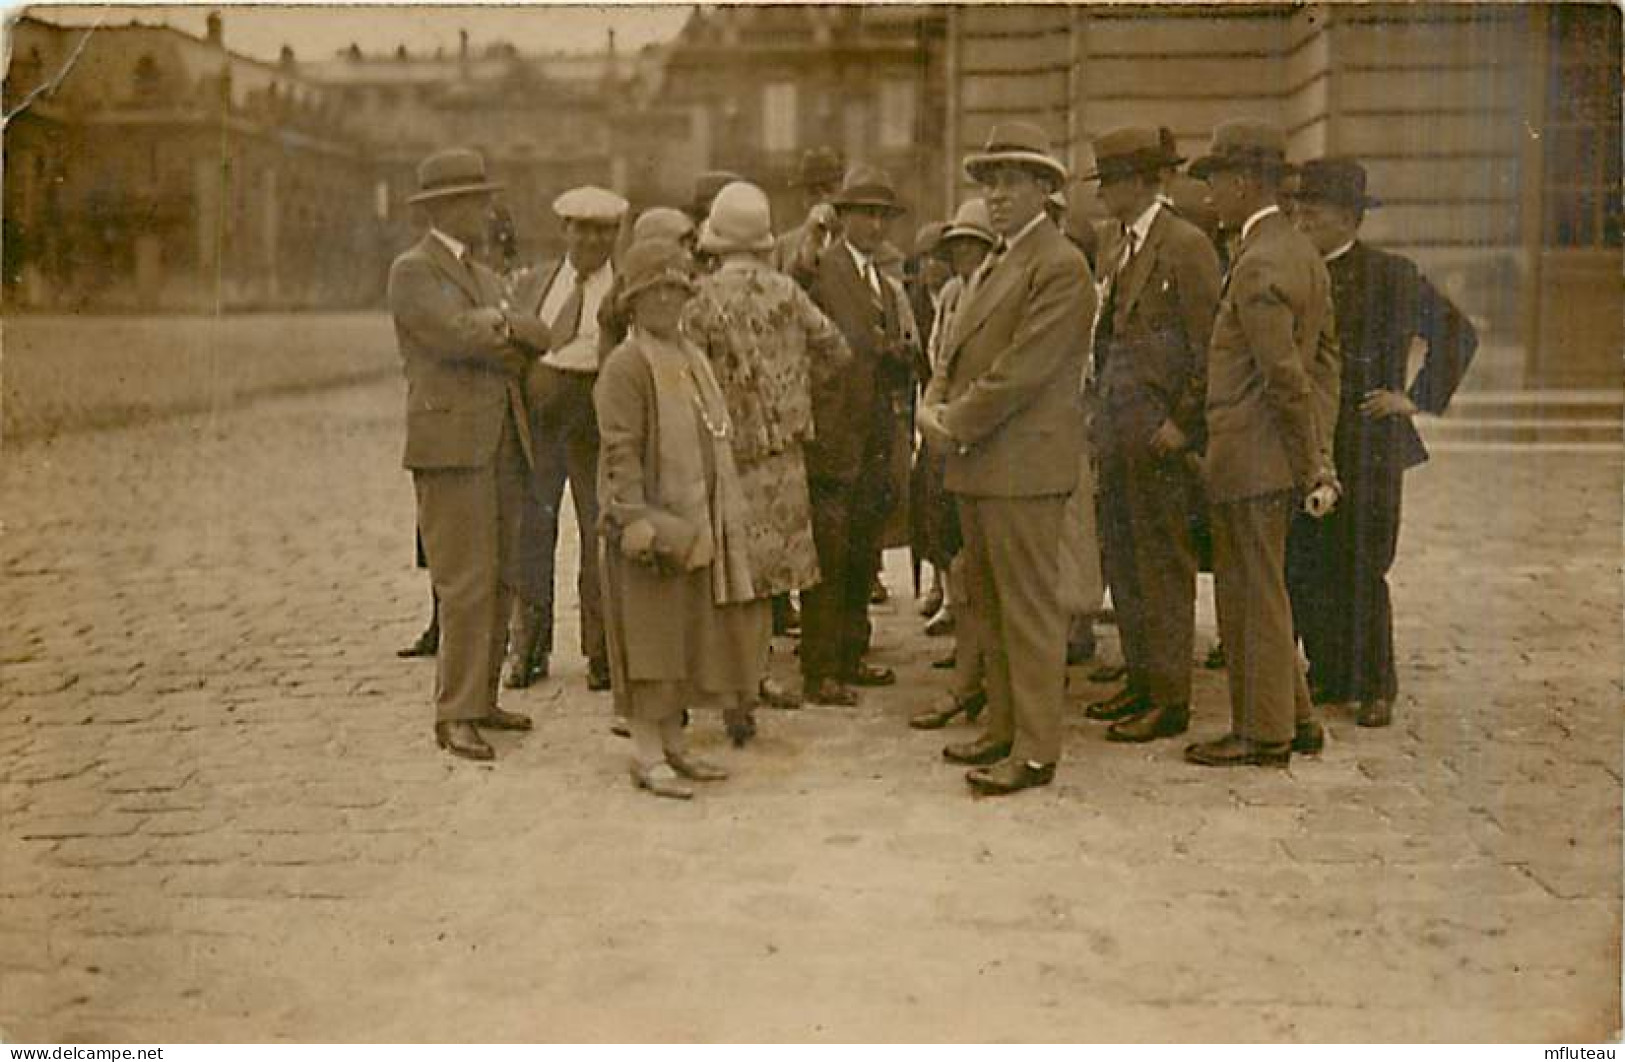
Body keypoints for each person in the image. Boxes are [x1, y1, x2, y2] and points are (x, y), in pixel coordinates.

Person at [917, 122, 1095, 795]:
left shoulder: (1058, 264)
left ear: (1046, 190)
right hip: (985, 464)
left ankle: (1035, 749)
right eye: (989, 182)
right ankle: (1000, 726)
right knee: (987, 605)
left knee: (1026, 609)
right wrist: (936, 403)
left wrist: (951, 421)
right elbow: (959, 353)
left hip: (1022, 467)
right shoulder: (1000, 258)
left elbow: (1024, 371)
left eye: (1011, 182)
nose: (995, 195)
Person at [1284, 157, 1477, 728]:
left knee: (1364, 562)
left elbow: (1457, 332)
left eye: (1313, 215)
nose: (1302, 224)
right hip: (1312, 441)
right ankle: (1329, 674)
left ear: (1349, 218)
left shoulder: (1392, 275)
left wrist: (1413, 397)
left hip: (1369, 442)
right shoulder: (1294, 270)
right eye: (1297, 213)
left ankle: (1374, 688)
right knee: (1310, 561)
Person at [1183, 120, 1341, 769]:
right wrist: (1317, 456)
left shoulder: (1257, 263)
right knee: (1266, 589)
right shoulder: (1299, 250)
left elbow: (1283, 376)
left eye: (1215, 182)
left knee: (1250, 599)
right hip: (1271, 454)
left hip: (1250, 457)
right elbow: (1323, 364)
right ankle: (1295, 719)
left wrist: (1314, 467)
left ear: (1244, 183)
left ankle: (1262, 733)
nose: (1209, 196)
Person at [387, 148, 552, 761]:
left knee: (503, 571)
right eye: (476, 200)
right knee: (464, 581)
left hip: (504, 438)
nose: (487, 211)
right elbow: (451, 336)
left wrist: (499, 327)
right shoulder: (413, 270)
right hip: (451, 444)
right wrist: (503, 330)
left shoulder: (482, 277)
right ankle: (454, 713)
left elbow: (539, 334)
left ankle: (481, 699)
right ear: (445, 207)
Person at [683, 181, 855, 741]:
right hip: (783, 453)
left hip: (724, 451)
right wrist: (795, 393)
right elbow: (837, 348)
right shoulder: (786, 292)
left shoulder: (701, 300)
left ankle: (725, 684)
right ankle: (753, 681)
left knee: (726, 572)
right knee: (769, 579)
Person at [595, 238, 767, 800]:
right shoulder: (627, 364)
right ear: (633, 300)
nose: (668, 300)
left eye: (677, 289)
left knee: (682, 637)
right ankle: (646, 754)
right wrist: (634, 517)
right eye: (656, 291)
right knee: (648, 641)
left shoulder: (690, 357)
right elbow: (619, 449)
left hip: (694, 520)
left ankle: (674, 744)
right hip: (649, 524)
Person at [1079, 125, 1222, 744]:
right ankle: (1142, 678)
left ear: (1145, 182)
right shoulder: (1121, 245)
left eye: (1112, 180)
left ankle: (1169, 698)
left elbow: (1211, 347)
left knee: (1163, 566)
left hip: (1159, 438)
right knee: (1127, 559)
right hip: (1118, 432)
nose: (1105, 191)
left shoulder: (1185, 246)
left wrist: (1182, 427)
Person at [796, 164, 922, 706]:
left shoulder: (876, 279)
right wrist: (888, 351)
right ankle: (821, 668)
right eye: (864, 214)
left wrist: (899, 356)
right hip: (834, 431)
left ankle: (851, 653)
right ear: (842, 217)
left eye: (882, 216)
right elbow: (845, 344)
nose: (874, 225)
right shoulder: (827, 270)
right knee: (829, 552)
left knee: (861, 548)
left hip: (872, 429)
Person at [506, 185, 627, 693]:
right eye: (581, 228)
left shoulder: (622, 290)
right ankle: (528, 650)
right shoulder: (537, 282)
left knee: (600, 529)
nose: (591, 239)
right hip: (542, 416)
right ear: (565, 231)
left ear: (616, 234)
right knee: (532, 527)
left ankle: (602, 655)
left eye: (602, 230)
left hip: (596, 415)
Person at [907, 197, 996, 732]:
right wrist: (932, 413)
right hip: (946, 437)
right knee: (957, 559)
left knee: (979, 568)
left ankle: (975, 680)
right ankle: (970, 674)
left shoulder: (997, 292)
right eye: (959, 244)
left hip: (977, 437)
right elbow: (940, 364)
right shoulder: (953, 295)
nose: (965, 253)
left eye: (975, 244)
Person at [773, 146, 845, 278]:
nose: (823, 199)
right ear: (804, 200)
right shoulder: (784, 245)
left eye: (829, 190)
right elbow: (779, 290)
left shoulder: (858, 242)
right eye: (813, 192)